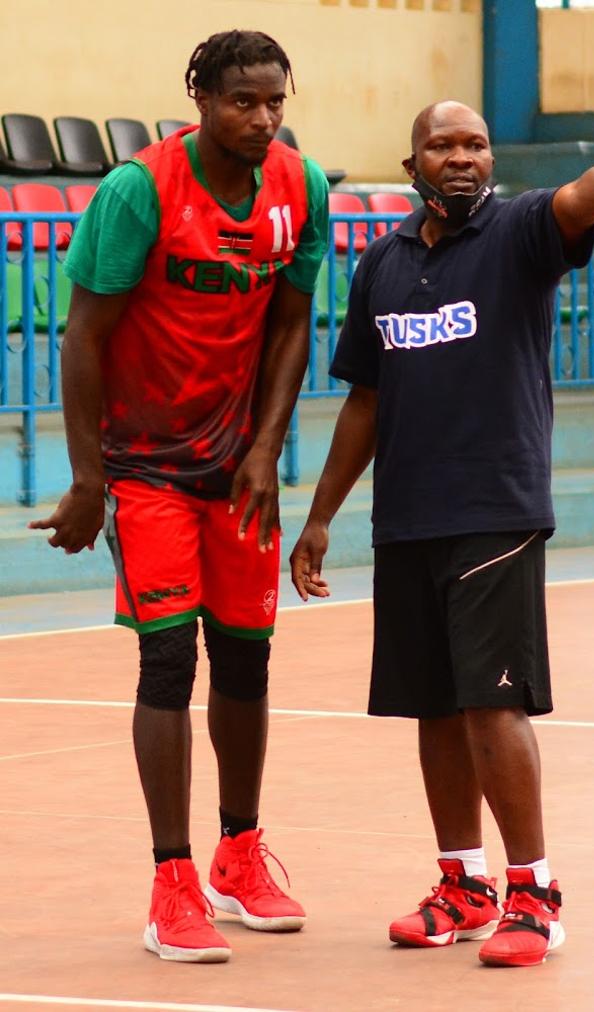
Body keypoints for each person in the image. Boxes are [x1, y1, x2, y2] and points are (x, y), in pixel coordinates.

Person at [290, 101, 594, 968]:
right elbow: (365, 399)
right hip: (407, 516)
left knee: (490, 704)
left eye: (475, 144)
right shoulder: (382, 265)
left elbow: (579, 196)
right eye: (443, 145)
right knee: (434, 706)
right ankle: (462, 885)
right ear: (413, 166)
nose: (462, 157)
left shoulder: (518, 232)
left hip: (495, 510)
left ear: (492, 160)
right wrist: (320, 517)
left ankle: (534, 893)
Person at [30, 30, 328, 963]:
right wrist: (89, 479)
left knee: (247, 660)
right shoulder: (139, 191)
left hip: (238, 468)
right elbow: (83, 336)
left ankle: (240, 854)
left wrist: (266, 449)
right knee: (168, 661)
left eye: (275, 102)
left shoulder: (302, 187)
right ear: (200, 99)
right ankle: (172, 883)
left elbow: (292, 324)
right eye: (243, 101)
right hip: (146, 464)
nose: (263, 118)